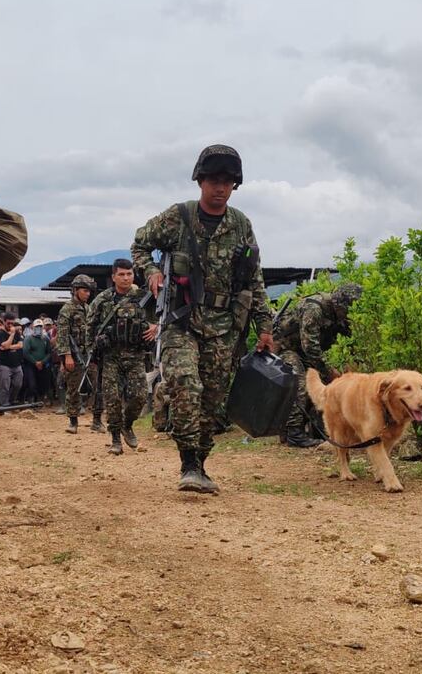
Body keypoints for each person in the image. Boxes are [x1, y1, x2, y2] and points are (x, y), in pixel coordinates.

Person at [131, 144, 273, 493]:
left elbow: (254, 278)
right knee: (185, 383)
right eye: (213, 180)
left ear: (235, 185)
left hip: (224, 327)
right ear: (200, 181)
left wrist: (265, 327)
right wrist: (150, 271)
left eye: (227, 181)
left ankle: (201, 462)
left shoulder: (241, 225)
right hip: (182, 320)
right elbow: (139, 244)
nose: (220, 187)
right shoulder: (178, 217)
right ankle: (188, 464)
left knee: (212, 399)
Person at [273, 283, 363, 447]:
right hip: (289, 349)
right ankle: (293, 433)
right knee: (300, 383)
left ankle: (321, 430)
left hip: (311, 354)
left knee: (331, 388)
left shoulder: (341, 315)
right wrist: (329, 370)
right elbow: (310, 347)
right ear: (339, 304)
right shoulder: (314, 308)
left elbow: (352, 343)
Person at [87, 258, 158, 454]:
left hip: (135, 355)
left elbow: (160, 316)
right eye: (121, 274)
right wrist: (93, 348)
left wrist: (155, 326)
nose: (126, 278)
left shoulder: (145, 298)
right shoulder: (102, 300)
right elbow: (89, 327)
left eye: (129, 274)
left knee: (140, 396)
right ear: (113, 277)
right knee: (113, 399)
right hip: (111, 357)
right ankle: (116, 439)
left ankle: (127, 425)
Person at [55, 274, 105, 434]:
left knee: (98, 388)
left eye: (89, 291)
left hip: (90, 355)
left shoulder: (89, 308)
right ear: (75, 290)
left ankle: (97, 421)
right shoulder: (67, 309)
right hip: (75, 356)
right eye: (84, 290)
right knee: (73, 389)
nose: (88, 294)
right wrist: (67, 356)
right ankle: (73, 421)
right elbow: (62, 335)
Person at [0, 312, 25, 405]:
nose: (11, 325)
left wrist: (8, 347)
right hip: (4, 364)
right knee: (5, 386)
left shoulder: (17, 332)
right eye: (8, 323)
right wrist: (11, 335)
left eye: (12, 323)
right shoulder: (0, 333)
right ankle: (3, 404)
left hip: (16, 364)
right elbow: (3, 345)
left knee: (18, 384)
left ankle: (11, 401)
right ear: (4, 322)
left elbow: (20, 345)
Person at [22, 318, 52, 403]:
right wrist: (35, 362)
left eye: (40, 327)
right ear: (33, 327)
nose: (38, 328)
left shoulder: (45, 339)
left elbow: (49, 352)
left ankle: (39, 400)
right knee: (32, 384)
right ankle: (30, 400)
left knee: (42, 384)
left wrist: (42, 362)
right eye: (36, 327)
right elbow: (26, 352)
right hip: (31, 365)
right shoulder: (28, 338)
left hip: (42, 365)